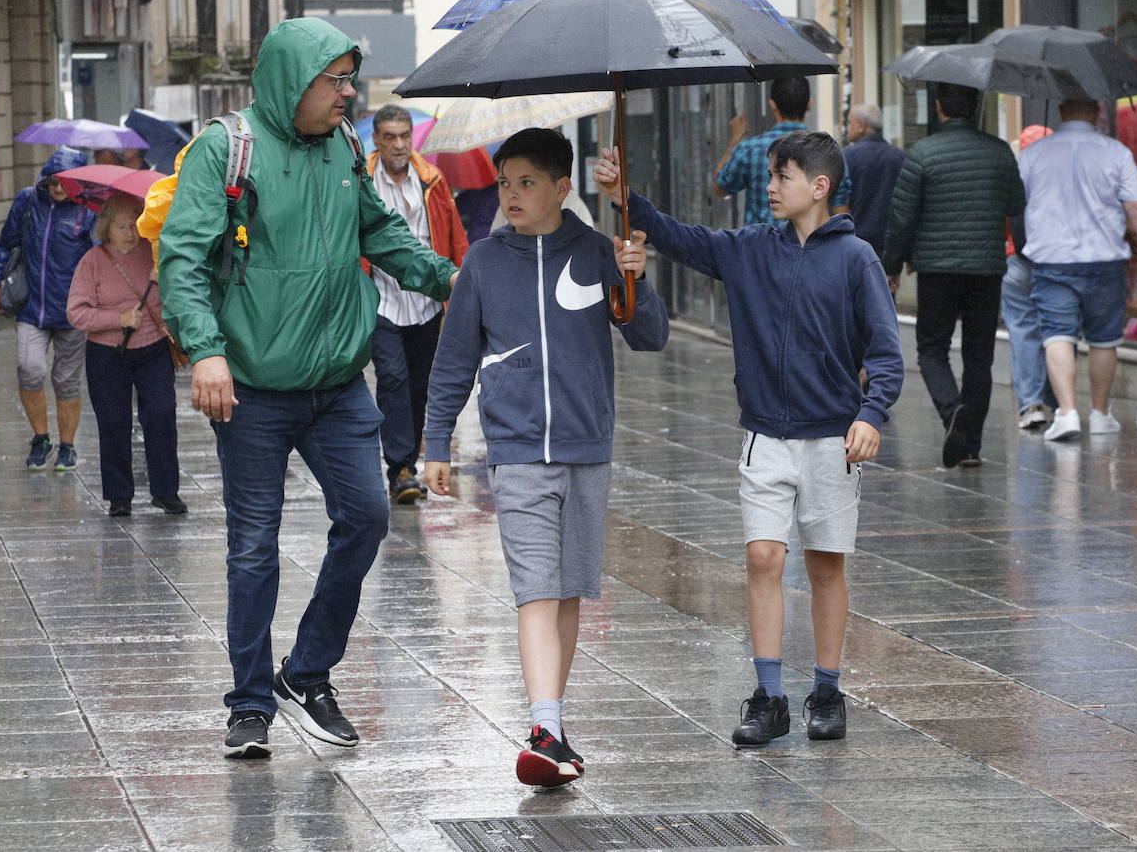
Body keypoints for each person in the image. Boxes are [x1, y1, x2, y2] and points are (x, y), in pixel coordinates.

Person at [157, 18, 458, 760]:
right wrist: (205, 353)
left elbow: (382, 235)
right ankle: (250, 703)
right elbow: (182, 261)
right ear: (295, 79)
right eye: (336, 80)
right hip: (251, 390)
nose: (348, 93)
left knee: (367, 519)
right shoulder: (226, 151)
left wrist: (462, 282)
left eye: (350, 79)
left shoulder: (345, 150)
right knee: (253, 548)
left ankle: (308, 670)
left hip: (338, 387)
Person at [595, 132, 902, 746]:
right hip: (765, 434)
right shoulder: (747, 249)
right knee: (763, 557)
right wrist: (625, 198)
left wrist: (871, 414)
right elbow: (682, 238)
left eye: (781, 177)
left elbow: (887, 352)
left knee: (824, 565)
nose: (768, 186)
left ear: (818, 187)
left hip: (831, 439)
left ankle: (827, 689)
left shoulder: (856, 258)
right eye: (768, 176)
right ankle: (767, 697)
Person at [423, 128, 668, 787]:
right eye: (505, 182)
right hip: (518, 450)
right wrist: (434, 444)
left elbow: (650, 337)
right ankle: (543, 726)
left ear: (563, 187)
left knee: (568, 593)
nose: (511, 194)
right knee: (535, 587)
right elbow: (452, 363)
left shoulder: (597, 252)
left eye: (526, 181)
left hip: (588, 450)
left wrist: (637, 277)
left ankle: (552, 729)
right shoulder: (482, 262)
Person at [881, 83, 1025, 468]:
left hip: (937, 270)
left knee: (931, 349)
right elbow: (1016, 204)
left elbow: (902, 218)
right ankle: (971, 443)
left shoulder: (923, 153)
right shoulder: (999, 152)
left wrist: (891, 265)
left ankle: (951, 412)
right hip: (986, 268)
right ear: (977, 106)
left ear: (939, 107)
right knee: (980, 356)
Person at [1018, 98, 1137, 441]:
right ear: (1097, 114)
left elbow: (1016, 200)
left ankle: (1067, 412)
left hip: (1051, 259)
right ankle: (1099, 414)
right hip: (1103, 259)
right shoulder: (1115, 152)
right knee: (1104, 339)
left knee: (1056, 334)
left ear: (1061, 113)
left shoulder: (1034, 154)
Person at [365, 104, 469, 504]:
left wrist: (460, 288)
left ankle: (408, 459)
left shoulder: (432, 180)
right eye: (389, 136)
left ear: (413, 138)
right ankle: (401, 469)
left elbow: (454, 236)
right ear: (376, 139)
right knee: (392, 379)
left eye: (404, 136)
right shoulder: (363, 181)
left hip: (426, 303)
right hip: (382, 301)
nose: (398, 144)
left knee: (422, 383)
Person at [67, 193, 186, 518]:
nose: (130, 232)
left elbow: (176, 295)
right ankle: (120, 496)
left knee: (162, 415)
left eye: (135, 225)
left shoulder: (152, 254)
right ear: (107, 228)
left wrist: (162, 281)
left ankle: (166, 491)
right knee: (113, 423)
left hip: (152, 349)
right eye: (122, 226)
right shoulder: (92, 261)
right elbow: (76, 313)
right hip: (107, 354)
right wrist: (117, 320)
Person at [0, 147, 95, 471]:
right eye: (51, 181)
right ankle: (41, 437)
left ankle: (68, 446)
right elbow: (6, 244)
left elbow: (101, 255)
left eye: (63, 182)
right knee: (29, 369)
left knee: (66, 380)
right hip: (32, 307)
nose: (56, 188)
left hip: (73, 311)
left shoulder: (88, 209)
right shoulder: (28, 201)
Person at [714, 77, 852, 225]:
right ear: (810, 104)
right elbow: (841, 209)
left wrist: (734, 141)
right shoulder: (828, 152)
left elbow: (720, 188)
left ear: (772, 105)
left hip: (760, 245)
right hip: (810, 245)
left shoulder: (750, 149)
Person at [1002, 125, 1055, 432]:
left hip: (1014, 260)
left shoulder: (1014, 173)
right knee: (1057, 329)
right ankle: (1059, 401)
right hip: (1052, 262)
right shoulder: (1060, 180)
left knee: (1023, 331)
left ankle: (1031, 404)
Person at [841, 103, 904, 255]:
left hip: (855, 240)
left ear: (862, 126)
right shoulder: (899, 156)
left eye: (849, 122)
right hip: (889, 242)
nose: (846, 127)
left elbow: (840, 200)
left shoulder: (846, 156)